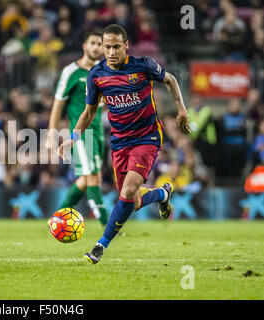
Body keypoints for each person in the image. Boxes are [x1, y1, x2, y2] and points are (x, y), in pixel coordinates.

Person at [58, 24, 191, 264]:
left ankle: (100, 245)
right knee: (133, 200)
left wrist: (181, 109)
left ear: (126, 45)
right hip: (120, 142)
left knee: (128, 191)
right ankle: (162, 194)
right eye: (107, 47)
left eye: (116, 47)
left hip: (147, 137)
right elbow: (88, 113)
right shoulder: (97, 74)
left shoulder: (143, 65)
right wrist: (72, 138)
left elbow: (170, 79)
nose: (110, 52)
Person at [46, 31, 109, 226]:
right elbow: (58, 103)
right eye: (93, 43)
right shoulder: (71, 72)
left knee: (84, 180)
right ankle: (108, 226)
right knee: (93, 178)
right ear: (84, 45)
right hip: (80, 134)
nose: (97, 47)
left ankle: (56, 219)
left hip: (98, 133)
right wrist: (51, 133)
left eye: (100, 44)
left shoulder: (103, 71)